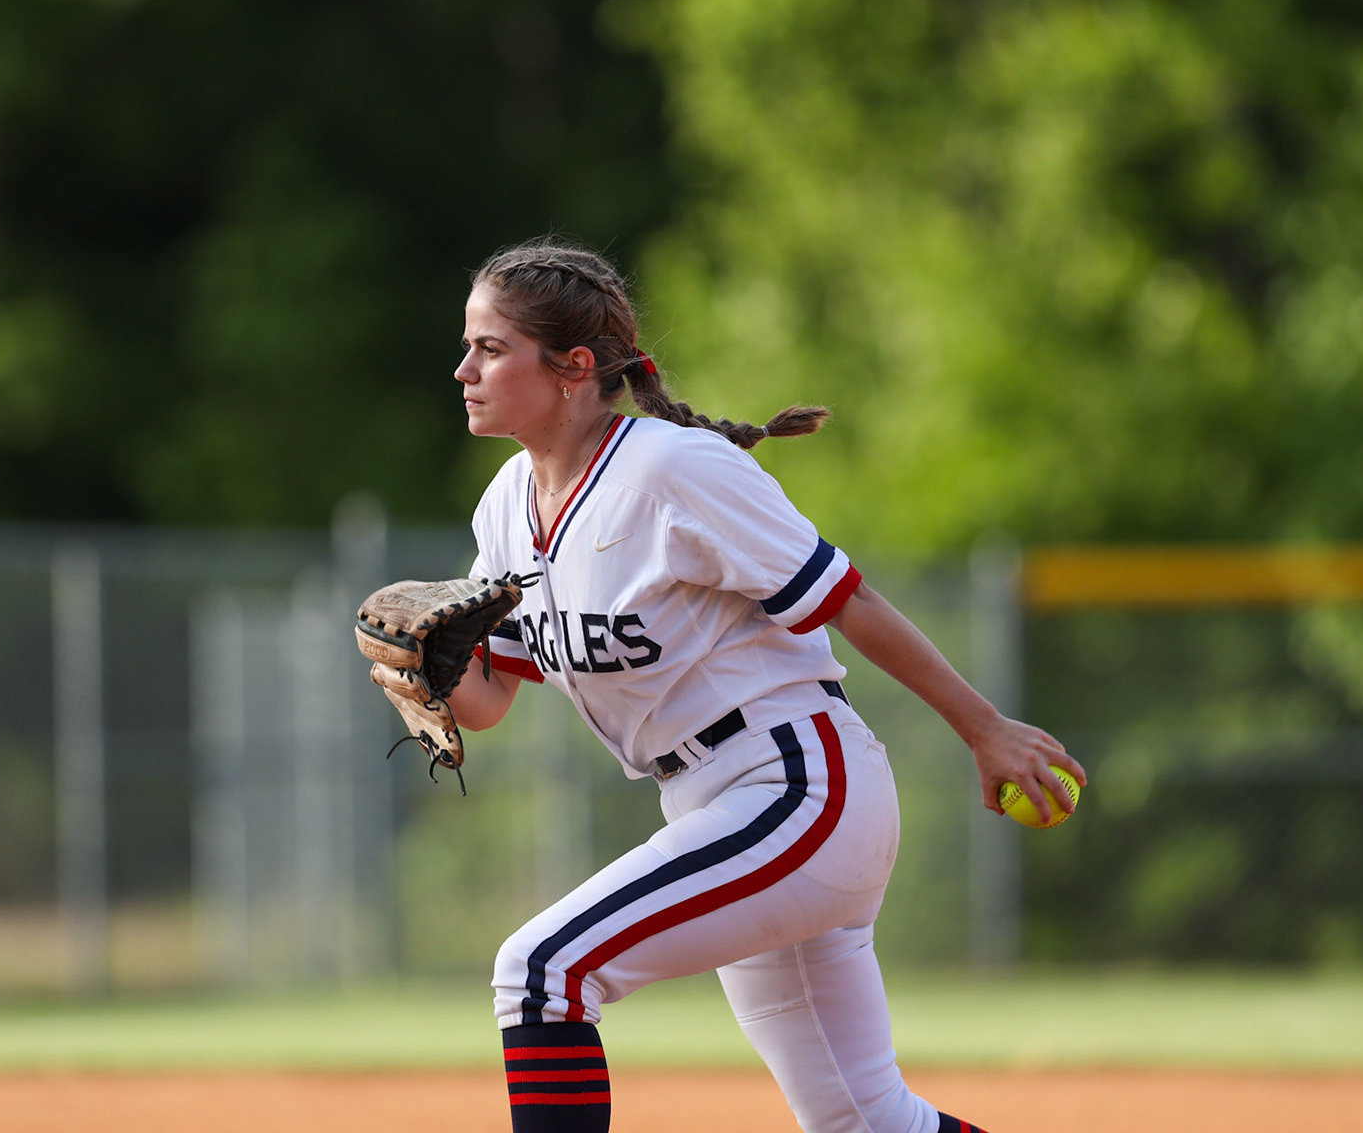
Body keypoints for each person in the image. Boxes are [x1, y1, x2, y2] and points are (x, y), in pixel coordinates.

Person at [433, 239, 1084, 1133]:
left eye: (491, 347)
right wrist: (425, 673)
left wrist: (984, 728)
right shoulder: (506, 506)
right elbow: (490, 697)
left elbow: (847, 600)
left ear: (573, 367)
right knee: (865, 1120)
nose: (464, 367)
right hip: (713, 803)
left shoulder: (670, 470)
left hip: (798, 785)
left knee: (542, 969)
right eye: (470, 345)